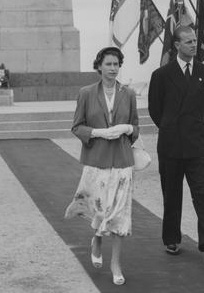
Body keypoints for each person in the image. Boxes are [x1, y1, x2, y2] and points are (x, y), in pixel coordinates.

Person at [148, 26, 204, 261]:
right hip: (171, 145)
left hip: (197, 145)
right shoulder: (161, 75)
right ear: (177, 45)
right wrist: (172, 127)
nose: (194, 44)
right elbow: (155, 110)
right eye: (188, 41)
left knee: (203, 193)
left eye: (195, 40)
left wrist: (196, 130)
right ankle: (171, 238)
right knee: (172, 194)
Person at [64, 46, 139, 286]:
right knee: (100, 210)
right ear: (99, 66)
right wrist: (98, 133)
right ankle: (96, 239)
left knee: (119, 215)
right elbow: (77, 127)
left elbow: (135, 127)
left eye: (116, 64)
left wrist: (128, 129)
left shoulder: (128, 93)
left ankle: (115, 263)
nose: (113, 68)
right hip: (96, 162)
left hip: (122, 162)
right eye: (108, 64)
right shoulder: (86, 93)